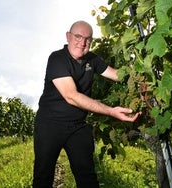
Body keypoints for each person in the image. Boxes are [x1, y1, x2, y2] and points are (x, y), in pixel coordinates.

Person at [33, 20, 141, 188]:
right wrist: (111, 111)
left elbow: (117, 75)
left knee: (87, 177)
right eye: (78, 36)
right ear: (68, 37)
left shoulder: (92, 59)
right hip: (49, 125)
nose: (82, 42)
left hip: (77, 126)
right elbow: (71, 96)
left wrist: (139, 71)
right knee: (43, 176)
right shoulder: (57, 58)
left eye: (88, 39)